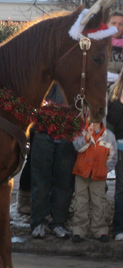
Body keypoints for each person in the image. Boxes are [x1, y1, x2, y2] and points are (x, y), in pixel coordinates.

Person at [30, 84, 76, 239]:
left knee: (64, 182)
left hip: (66, 134)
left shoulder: (76, 75)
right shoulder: (46, 75)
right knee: (40, 182)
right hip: (43, 133)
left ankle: (58, 222)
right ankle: (38, 222)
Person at [71, 121, 117, 243]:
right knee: (80, 202)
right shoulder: (81, 132)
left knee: (99, 202)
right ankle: (79, 231)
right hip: (81, 173)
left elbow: (113, 157)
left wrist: (104, 169)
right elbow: (77, 147)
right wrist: (88, 136)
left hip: (99, 176)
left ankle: (100, 230)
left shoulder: (109, 136)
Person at [106, 70, 123, 241]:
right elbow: (112, 120)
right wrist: (121, 101)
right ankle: (119, 227)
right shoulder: (114, 94)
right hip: (122, 147)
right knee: (121, 189)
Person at [107, 11, 123, 84]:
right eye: (113, 23)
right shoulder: (98, 43)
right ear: (107, 25)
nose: (117, 27)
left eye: (120, 24)